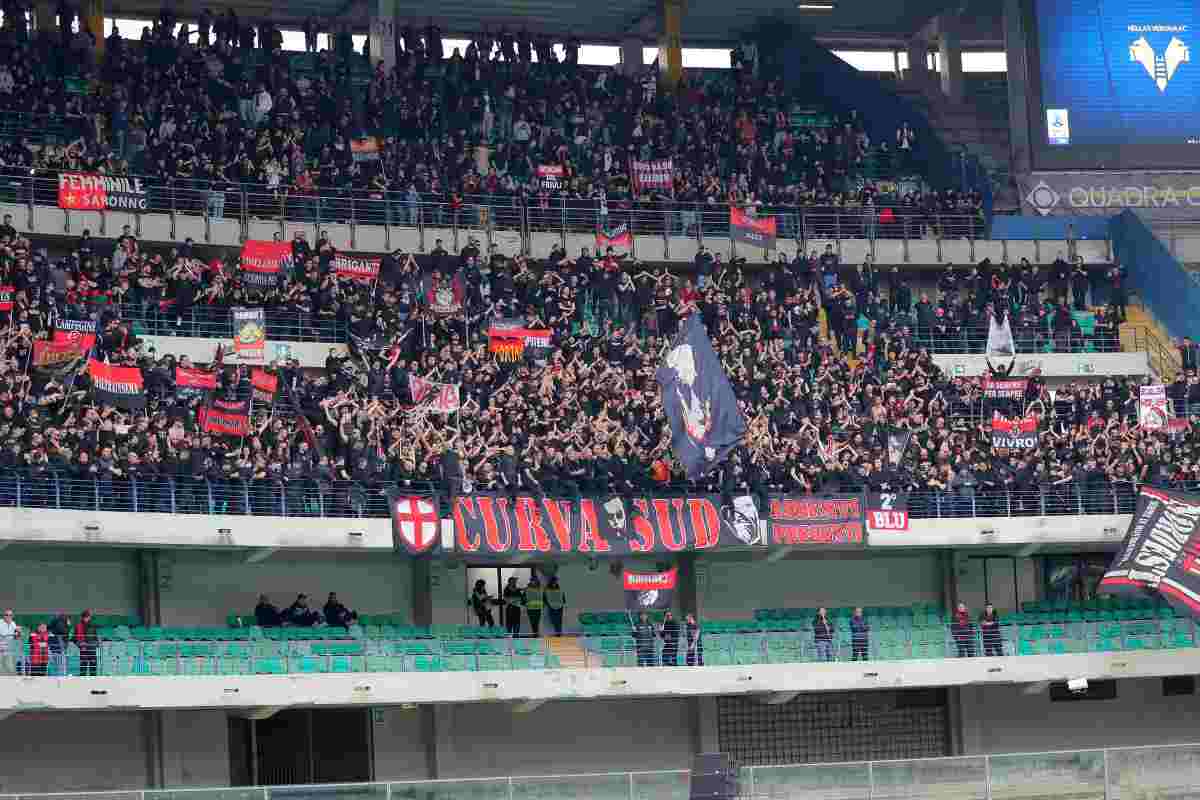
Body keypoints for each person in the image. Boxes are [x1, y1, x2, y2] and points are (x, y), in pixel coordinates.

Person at [74, 609, 98, 676]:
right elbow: (74, 639)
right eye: (87, 616)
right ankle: (82, 682)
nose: (88, 618)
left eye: (89, 616)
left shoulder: (93, 625)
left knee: (93, 667)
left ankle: (93, 681)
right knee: (83, 667)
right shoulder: (78, 626)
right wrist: (79, 645)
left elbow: (95, 637)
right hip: (83, 649)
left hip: (92, 649)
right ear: (83, 617)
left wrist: (96, 643)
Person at [0, 609, 19, 675]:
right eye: (6, 615)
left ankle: (11, 682)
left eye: (10, 615)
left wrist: (18, 633)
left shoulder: (13, 623)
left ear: (12, 616)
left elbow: (16, 636)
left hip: (9, 648)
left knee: (10, 666)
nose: (8, 616)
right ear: (3, 616)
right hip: (1, 647)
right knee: (1, 667)